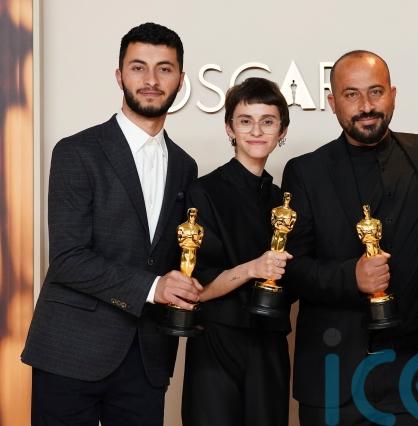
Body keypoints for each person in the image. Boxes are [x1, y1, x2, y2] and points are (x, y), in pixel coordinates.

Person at [21, 22, 199, 426]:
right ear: (119, 76)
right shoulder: (76, 152)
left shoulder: (185, 166)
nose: (151, 80)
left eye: (164, 69)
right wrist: (154, 288)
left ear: (180, 79)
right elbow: (67, 259)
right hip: (70, 351)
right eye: (138, 67)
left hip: (147, 358)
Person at [281, 50, 418, 425]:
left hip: (414, 378)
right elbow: (290, 273)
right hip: (333, 381)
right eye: (351, 94)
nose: (366, 106)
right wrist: (352, 277)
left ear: (392, 95)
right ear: (332, 103)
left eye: (376, 92)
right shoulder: (305, 172)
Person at [181, 77, 293, 426]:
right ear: (230, 128)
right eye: (246, 121)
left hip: (270, 343)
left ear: (282, 131)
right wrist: (253, 268)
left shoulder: (283, 200)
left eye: (267, 121)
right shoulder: (203, 193)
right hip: (216, 343)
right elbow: (196, 288)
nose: (256, 131)